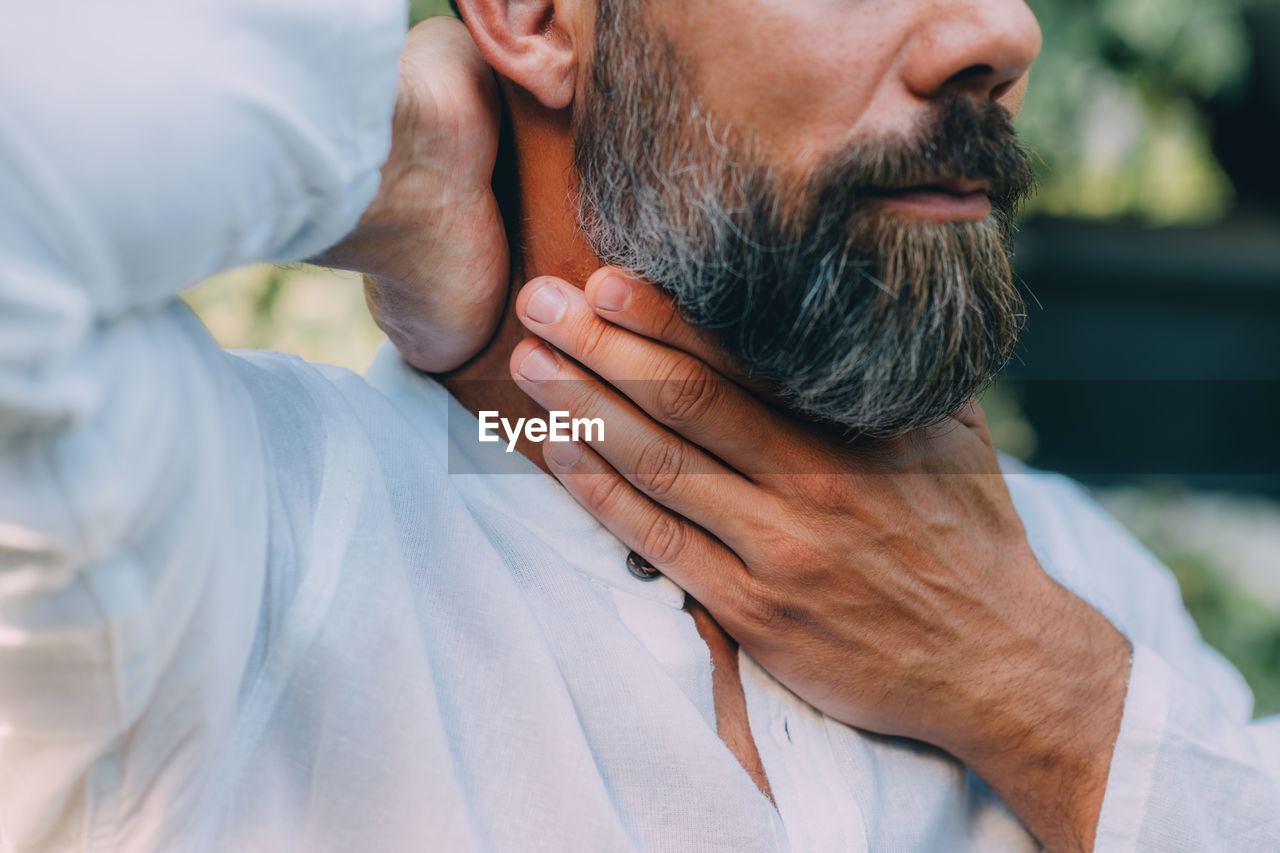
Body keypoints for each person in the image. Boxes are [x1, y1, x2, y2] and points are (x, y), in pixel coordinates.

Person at [1, 3, 1277, 853]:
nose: (1004, 29)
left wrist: (1054, 706)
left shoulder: (1084, 590)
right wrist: (389, 158)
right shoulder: (226, 561)